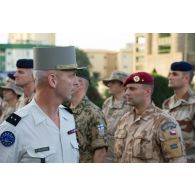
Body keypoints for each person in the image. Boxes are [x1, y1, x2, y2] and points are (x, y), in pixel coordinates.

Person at [0, 46, 80, 163]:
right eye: (72, 75)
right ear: (53, 80)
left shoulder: (68, 117)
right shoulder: (14, 128)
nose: (77, 82)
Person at [114, 71, 186, 163]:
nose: (126, 93)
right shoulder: (124, 119)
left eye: (132, 89)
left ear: (147, 92)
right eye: (126, 89)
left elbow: (177, 162)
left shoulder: (164, 122)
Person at [69, 68, 107, 162]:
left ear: (80, 83)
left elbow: (100, 151)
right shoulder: (64, 109)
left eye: (70, 79)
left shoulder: (94, 113)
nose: (65, 83)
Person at [162, 61, 195, 162]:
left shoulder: (193, 103)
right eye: (170, 73)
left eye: (174, 74)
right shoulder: (167, 103)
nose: (169, 77)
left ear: (186, 78)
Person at [102, 70, 131, 162]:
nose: (109, 85)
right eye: (109, 83)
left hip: (123, 155)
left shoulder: (132, 103)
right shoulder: (107, 102)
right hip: (106, 154)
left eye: (113, 82)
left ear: (123, 84)